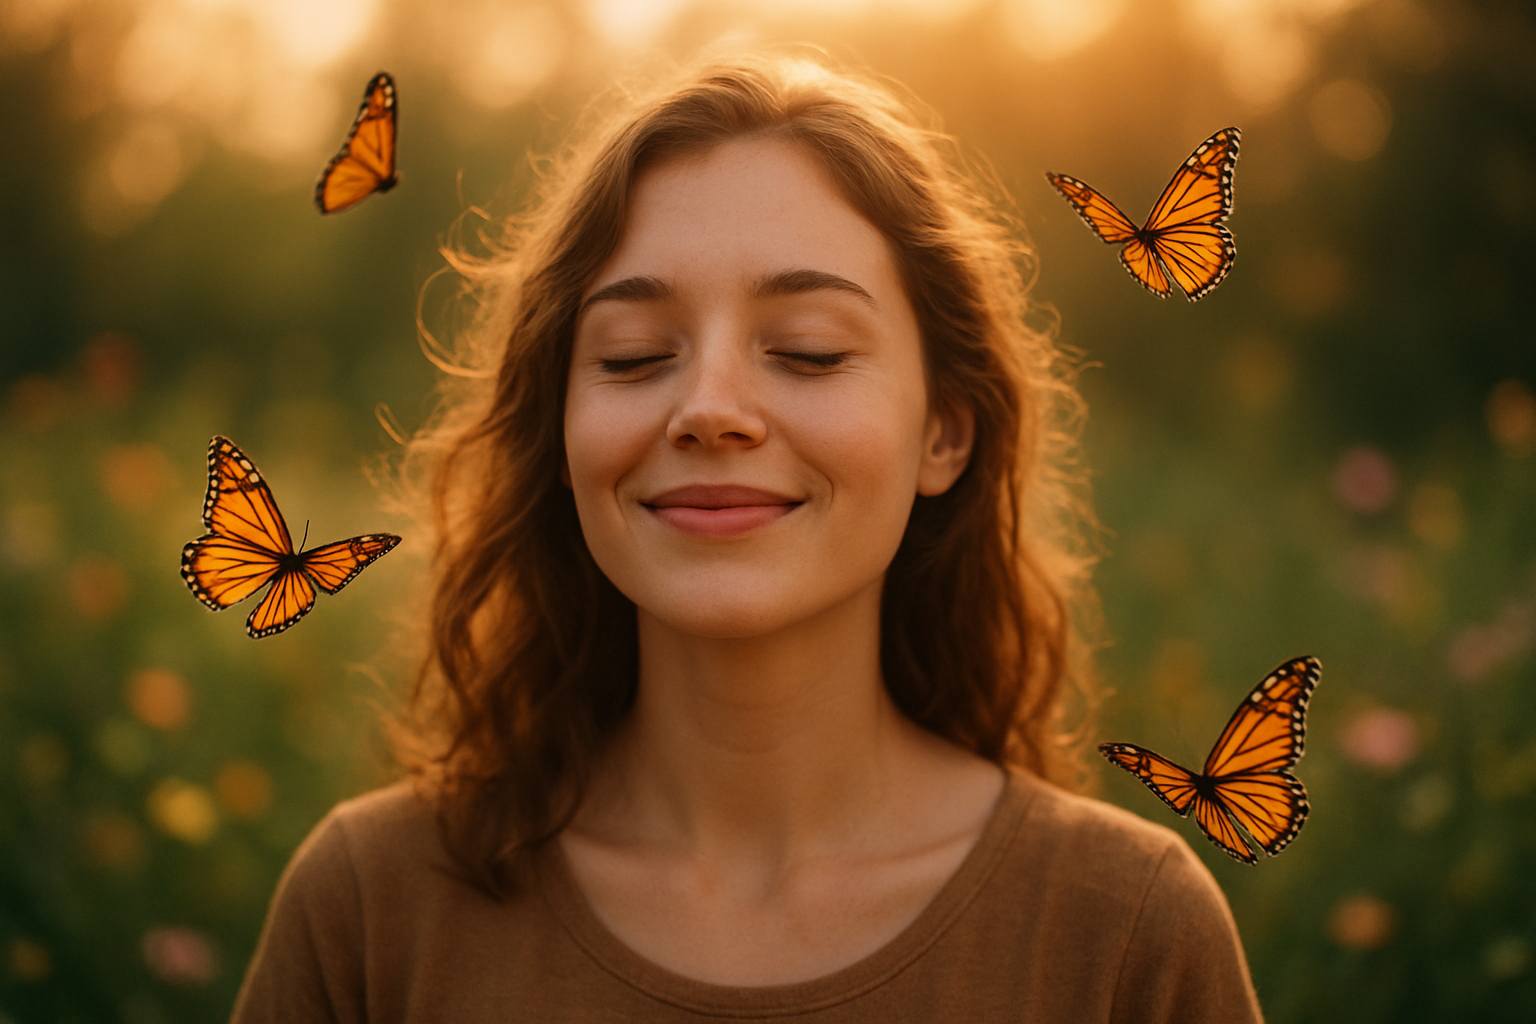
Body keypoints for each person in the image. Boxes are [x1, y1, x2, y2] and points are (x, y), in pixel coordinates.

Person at [231, 53, 1263, 1023]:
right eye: (634, 357)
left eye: (809, 351)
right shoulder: (368, 907)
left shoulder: (1127, 933)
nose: (710, 409)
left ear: (943, 432)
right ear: (559, 433)